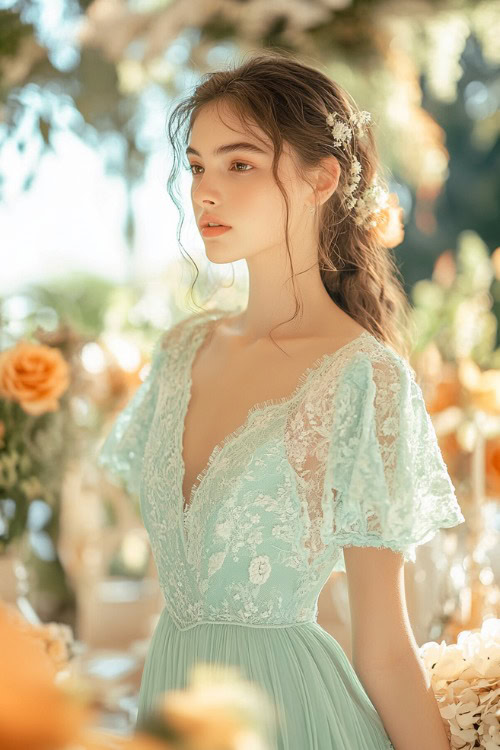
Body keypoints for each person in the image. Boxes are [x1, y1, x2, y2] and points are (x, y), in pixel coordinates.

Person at [98, 50, 465, 750]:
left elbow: (386, 647)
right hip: (173, 715)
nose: (205, 192)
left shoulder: (364, 379)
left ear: (321, 177)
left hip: (297, 720)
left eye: (239, 164)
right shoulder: (181, 352)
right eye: (198, 165)